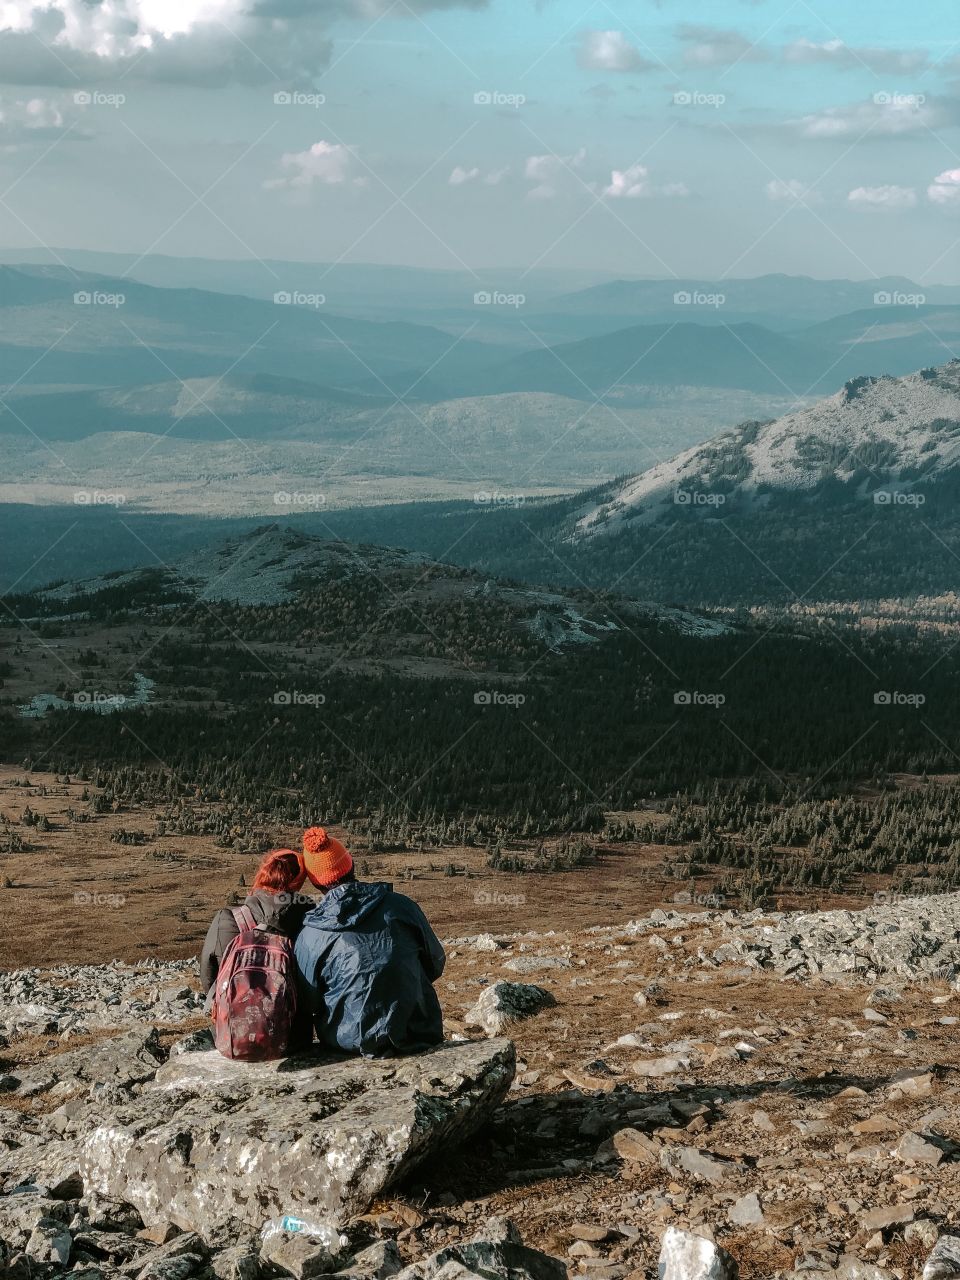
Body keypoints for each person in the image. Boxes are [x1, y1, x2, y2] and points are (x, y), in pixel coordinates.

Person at [295, 826, 446, 1057]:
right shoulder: (401, 906)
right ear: (351, 864)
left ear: (315, 882)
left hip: (348, 1041)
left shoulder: (311, 933)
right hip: (417, 1031)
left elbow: (309, 1001)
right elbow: (435, 963)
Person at [199, 848, 314, 1002]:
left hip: (232, 1013)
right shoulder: (310, 920)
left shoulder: (228, 920)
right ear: (298, 883)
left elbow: (208, 976)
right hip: (289, 1015)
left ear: (262, 875)